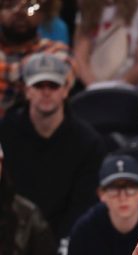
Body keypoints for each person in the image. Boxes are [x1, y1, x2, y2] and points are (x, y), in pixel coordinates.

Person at [0, 52, 104, 240]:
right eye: (39, 85)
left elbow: (84, 205)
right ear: (27, 90)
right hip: (10, 236)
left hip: (66, 239)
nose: (46, 92)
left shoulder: (88, 142)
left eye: (53, 85)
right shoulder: (5, 133)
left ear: (66, 89)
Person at [0, 0, 71, 117]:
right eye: (10, 5)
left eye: (30, 6)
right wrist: (35, 71)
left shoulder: (57, 50)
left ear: (43, 13)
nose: (19, 12)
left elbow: (63, 75)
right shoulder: (50, 55)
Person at [73, 0, 138, 88]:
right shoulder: (88, 4)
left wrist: (115, 88)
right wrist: (94, 87)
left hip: (132, 88)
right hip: (90, 87)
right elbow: (80, 57)